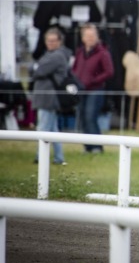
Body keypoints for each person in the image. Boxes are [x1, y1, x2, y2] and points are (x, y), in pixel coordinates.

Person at [31, 27, 71, 165]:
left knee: (43, 128)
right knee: (53, 129)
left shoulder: (57, 56)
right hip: (46, 96)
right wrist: (36, 68)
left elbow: (38, 71)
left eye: (53, 40)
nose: (50, 43)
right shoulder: (50, 54)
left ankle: (40, 157)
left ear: (60, 41)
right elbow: (35, 69)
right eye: (48, 40)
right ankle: (59, 157)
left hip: (48, 97)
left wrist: (36, 67)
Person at [73, 23, 114, 153]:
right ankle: (88, 146)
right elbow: (74, 68)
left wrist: (93, 80)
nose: (90, 38)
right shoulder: (80, 52)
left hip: (95, 90)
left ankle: (97, 146)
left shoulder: (103, 52)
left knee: (90, 117)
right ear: (83, 38)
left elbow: (109, 71)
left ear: (97, 36)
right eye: (88, 36)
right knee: (82, 118)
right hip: (81, 89)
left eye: (92, 35)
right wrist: (75, 81)